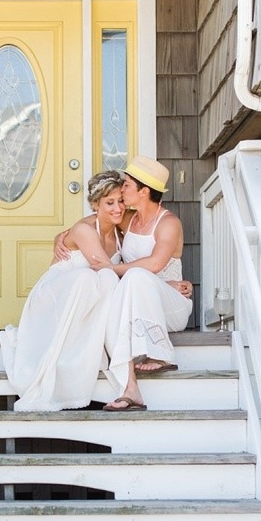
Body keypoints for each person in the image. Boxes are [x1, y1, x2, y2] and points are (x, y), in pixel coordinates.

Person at [0, 171, 124, 412]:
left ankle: (108, 352)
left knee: (103, 279)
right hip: (53, 296)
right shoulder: (84, 229)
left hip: (85, 298)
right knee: (90, 276)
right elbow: (103, 266)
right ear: (95, 204)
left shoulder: (121, 228)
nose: (118, 208)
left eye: (121, 201)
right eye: (110, 203)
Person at [100, 155, 193, 411]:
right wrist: (64, 237)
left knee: (136, 275)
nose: (122, 189)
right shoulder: (128, 221)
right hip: (138, 300)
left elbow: (154, 264)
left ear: (143, 191)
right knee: (117, 287)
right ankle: (129, 386)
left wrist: (111, 268)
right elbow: (95, 221)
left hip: (172, 307)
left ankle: (160, 353)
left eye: (127, 185)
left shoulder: (169, 223)